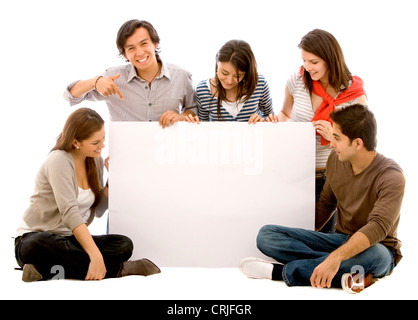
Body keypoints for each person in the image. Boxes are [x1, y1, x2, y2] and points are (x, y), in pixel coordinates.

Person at [240, 104, 405, 293]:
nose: (331, 143)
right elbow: (327, 203)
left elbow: (377, 227)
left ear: (357, 143)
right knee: (267, 235)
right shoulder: (336, 160)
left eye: (336, 138)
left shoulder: (392, 176)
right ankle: (345, 273)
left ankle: (282, 272)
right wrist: (311, 241)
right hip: (339, 240)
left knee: (375, 256)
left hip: (376, 247)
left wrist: (335, 259)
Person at [14, 108, 160, 281]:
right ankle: (120, 269)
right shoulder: (59, 160)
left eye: (104, 138)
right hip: (37, 238)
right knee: (37, 245)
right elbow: (69, 213)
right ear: (76, 142)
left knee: (124, 245)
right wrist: (95, 256)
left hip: (70, 240)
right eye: (95, 142)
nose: (102, 145)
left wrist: (111, 178)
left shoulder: (94, 160)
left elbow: (97, 210)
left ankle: (42, 269)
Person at [269, 29, 368, 231]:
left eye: (313, 62)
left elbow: (362, 143)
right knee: (292, 230)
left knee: (323, 236)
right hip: (294, 170)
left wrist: (334, 135)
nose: (307, 67)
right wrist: (273, 122)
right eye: (304, 61)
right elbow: (285, 115)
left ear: (330, 59)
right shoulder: (296, 80)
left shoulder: (353, 94)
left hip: (331, 175)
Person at [64, 19, 197, 128]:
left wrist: (181, 117)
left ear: (155, 44)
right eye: (131, 48)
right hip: (126, 156)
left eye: (144, 44)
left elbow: (193, 109)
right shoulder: (113, 78)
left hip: (167, 154)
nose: (139, 53)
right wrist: (96, 82)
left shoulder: (181, 76)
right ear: (125, 54)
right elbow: (70, 96)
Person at [187, 40, 274, 124]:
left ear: (246, 72)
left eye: (237, 76)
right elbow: (203, 126)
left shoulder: (259, 83)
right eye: (224, 73)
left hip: (253, 138)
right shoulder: (203, 90)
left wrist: (262, 122)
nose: (229, 81)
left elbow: (270, 116)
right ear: (217, 63)